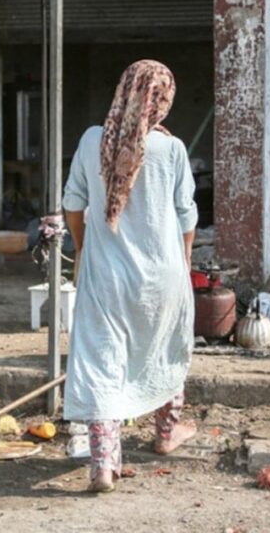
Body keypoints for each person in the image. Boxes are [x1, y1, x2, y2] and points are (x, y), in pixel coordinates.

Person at [62, 60, 198, 493]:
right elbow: (186, 215)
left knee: (101, 360)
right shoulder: (171, 150)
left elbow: (73, 202)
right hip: (163, 274)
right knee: (165, 347)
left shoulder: (91, 140)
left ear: (123, 91)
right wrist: (184, 259)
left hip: (107, 275)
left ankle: (103, 465)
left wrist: (82, 247)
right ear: (163, 100)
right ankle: (165, 434)